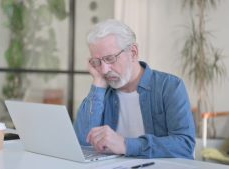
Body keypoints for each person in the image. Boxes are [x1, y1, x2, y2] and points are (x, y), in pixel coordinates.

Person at [74, 19, 195, 159]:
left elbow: (185, 146)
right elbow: (83, 143)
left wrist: (126, 145)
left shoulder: (169, 86)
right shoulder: (102, 92)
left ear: (133, 52)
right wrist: (98, 82)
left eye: (110, 58)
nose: (104, 69)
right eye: (97, 62)